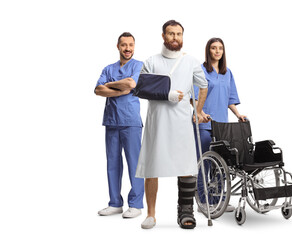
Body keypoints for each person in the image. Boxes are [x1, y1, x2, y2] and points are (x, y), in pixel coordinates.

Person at [135, 20, 208, 229]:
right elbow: (141, 89)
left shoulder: (191, 62)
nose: (175, 38)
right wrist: (166, 95)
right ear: (163, 36)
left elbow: (203, 86)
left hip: (182, 122)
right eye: (171, 34)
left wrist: (198, 111)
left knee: (185, 166)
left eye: (178, 34)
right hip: (157, 123)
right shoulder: (151, 61)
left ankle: (186, 211)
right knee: (152, 167)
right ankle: (150, 214)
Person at [193, 38, 247, 212]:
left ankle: (219, 198)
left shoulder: (227, 73)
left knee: (222, 165)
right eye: (213, 48)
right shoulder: (201, 71)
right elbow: (193, 97)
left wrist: (238, 115)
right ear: (208, 51)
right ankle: (203, 200)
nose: (217, 51)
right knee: (205, 163)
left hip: (222, 126)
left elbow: (230, 99)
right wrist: (200, 113)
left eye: (220, 48)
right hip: (205, 125)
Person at [95, 32, 144, 218]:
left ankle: (136, 204)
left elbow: (131, 83)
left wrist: (110, 86)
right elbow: (98, 89)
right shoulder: (108, 68)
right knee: (113, 163)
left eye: (131, 45)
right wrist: (120, 89)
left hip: (131, 121)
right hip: (111, 121)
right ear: (118, 47)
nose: (128, 49)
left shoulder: (139, 65)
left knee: (135, 163)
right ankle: (115, 203)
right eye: (124, 45)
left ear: (134, 46)